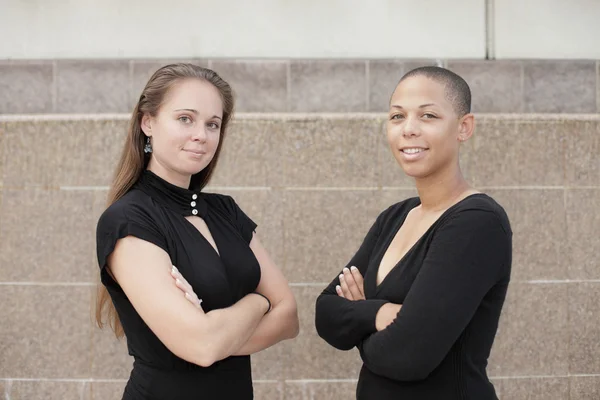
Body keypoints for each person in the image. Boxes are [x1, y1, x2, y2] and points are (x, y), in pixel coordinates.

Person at [95, 63, 299, 400]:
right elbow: (202, 346)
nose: (201, 135)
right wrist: (260, 301)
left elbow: (290, 318)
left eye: (213, 124)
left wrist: (217, 336)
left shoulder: (226, 211)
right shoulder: (129, 219)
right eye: (185, 119)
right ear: (148, 122)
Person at [314, 66, 512, 399]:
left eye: (428, 116)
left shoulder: (476, 222)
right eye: (396, 117)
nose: (408, 129)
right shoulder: (395, 217)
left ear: (464, 127)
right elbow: (326, 313)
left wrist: (361, 316)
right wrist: (381, 313)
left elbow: (407, 356)